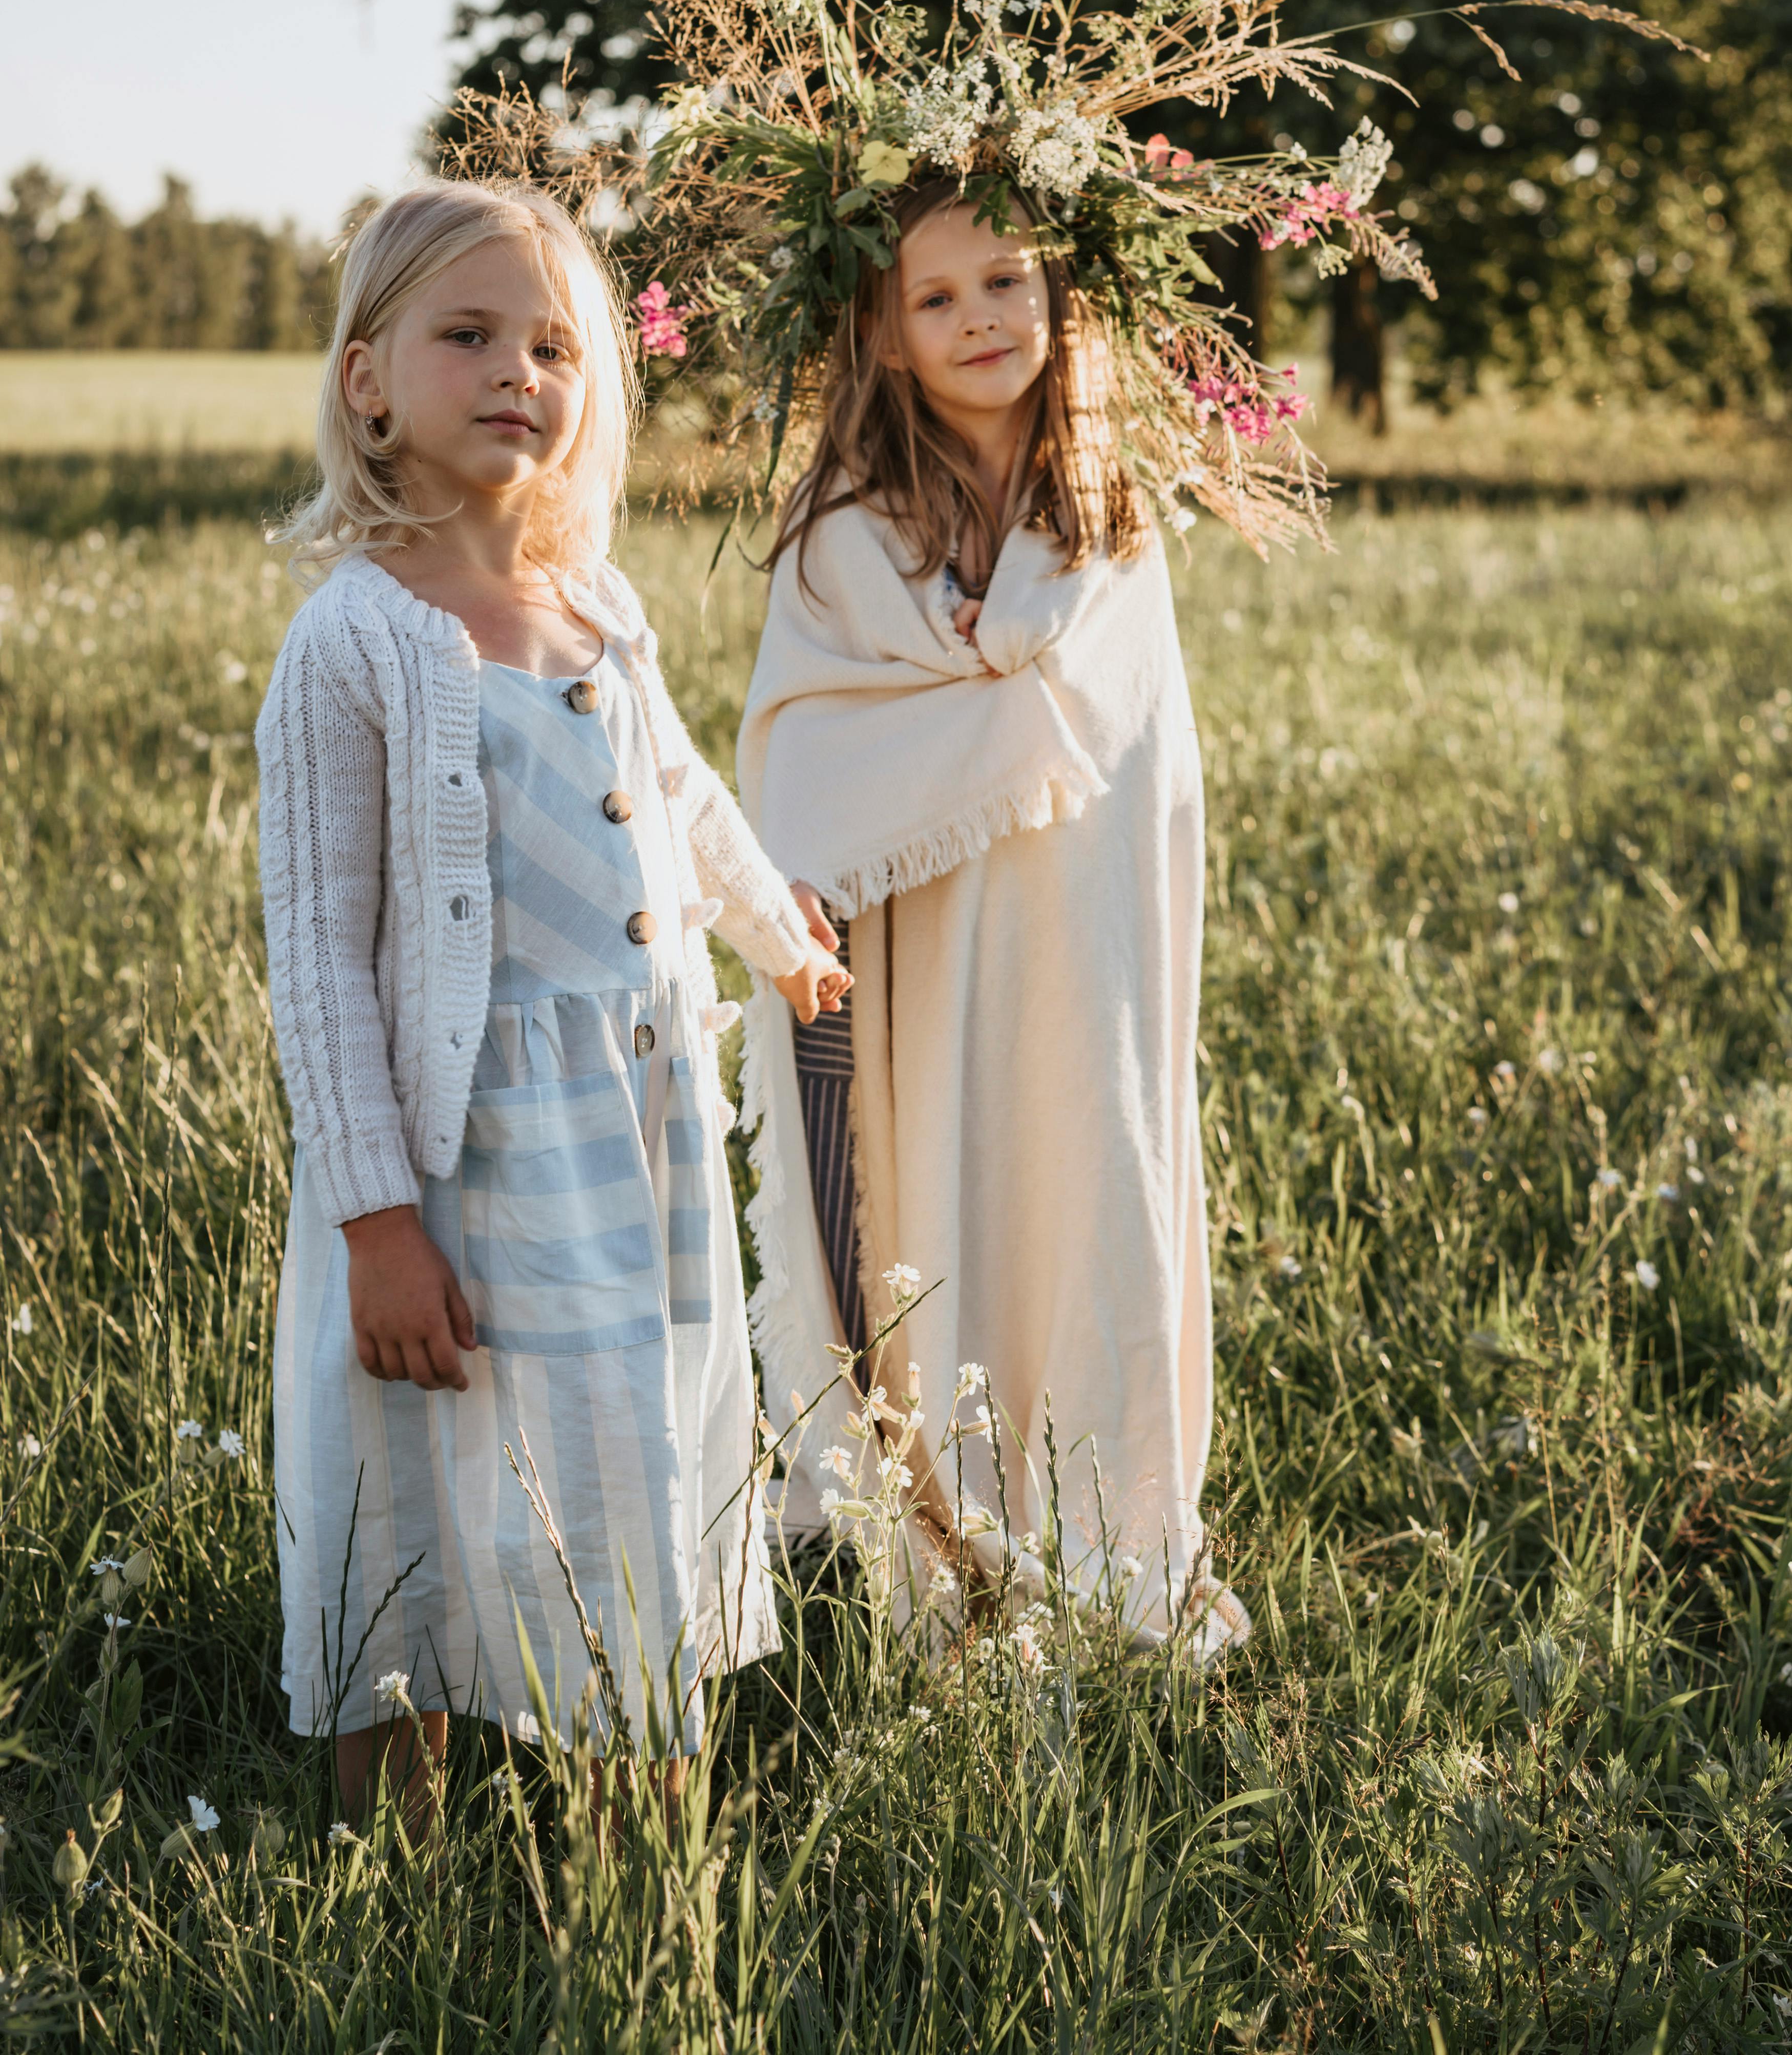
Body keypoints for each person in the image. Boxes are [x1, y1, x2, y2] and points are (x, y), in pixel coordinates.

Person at [255, 178, 847, 1818]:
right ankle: (391, 1846)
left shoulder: (599, 607)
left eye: (556, 346)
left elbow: (682, 789)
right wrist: (377, 1219)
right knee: (416, 1481)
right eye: (470, 337)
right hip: (460, 1156)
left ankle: (636, 1835)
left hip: (626, 1129)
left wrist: (770, 927)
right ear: (368, 378)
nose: (520, 371)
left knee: (618, 1452)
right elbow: (316, 956)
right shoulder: (357, 642)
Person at [736, 177, 1249, 1656]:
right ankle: (946, 1554)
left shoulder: (1106, 518)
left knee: (1078, 1200)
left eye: (1006, 283)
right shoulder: (841, 535)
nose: (979, 320)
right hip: (913, 950)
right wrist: (968, 721)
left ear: (1058, 298)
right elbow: (806, 748)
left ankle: (1107, 1543)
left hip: (1076, 953)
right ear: (884, 336)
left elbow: (1128, 749)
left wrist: (992, 697)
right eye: (938, 297)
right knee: (924, 1215)